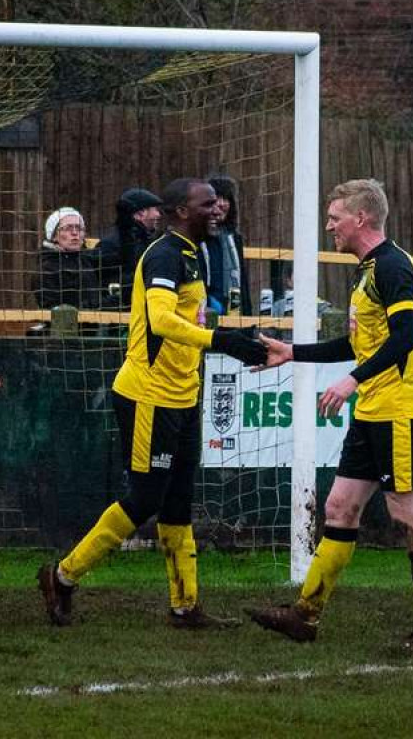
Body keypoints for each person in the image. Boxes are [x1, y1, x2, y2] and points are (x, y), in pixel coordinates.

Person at [36, 178, 267, 629]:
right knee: (144, 498)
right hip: (148, 395)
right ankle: (62, 576)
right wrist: (223, 340)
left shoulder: (192, 254)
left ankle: (186, 606)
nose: (216, 209)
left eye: (217, 204)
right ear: (180, 211)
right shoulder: (163, 253)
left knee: (179, 501)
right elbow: (160, 320)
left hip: (183, 396)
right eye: (206, 204)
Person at [246, 179, 413, 649]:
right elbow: (359, 343)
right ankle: (305, 614)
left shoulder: (393, 268)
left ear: (360, 219)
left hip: (400, 409)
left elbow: (406, 338)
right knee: (340, 507)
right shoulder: (368, 272)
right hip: (373, 410)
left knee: (408, 514)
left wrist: (353, 380)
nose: (329, 226)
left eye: (335, 217)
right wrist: (293, 352)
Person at [96, 187, 163, 307]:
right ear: (140, 214)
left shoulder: (149, 241)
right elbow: (106, 284)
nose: (158, 214)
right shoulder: (111, 245)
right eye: (155, 210)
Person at [199, 175, 252, 316]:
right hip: (204, 309)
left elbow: (242, 282)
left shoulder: (234, 239)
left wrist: (247, 317)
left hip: (232, 306)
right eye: (217, 199)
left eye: (226, 199)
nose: (221, 204)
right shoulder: (196, 237)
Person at [34, 207, 105, 310]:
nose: (75, 233)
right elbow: (52, 311)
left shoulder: (86, 260)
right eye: (68, 228)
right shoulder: (47, 268)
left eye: (79, 228)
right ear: (53, 236)